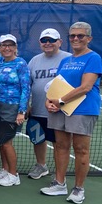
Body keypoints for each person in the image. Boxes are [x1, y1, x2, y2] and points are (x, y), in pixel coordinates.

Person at [41, 22, 102, 204]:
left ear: (88, 39)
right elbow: (55, 85)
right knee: (60, 146)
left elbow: (86, 87)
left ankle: (78, 189)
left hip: (83, 109)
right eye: (72, 36)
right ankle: (60, 184)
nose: (75, 39)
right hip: (60, 110)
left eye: (80, 36)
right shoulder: (65, 61)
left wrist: (60, 101)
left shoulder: (93, 58)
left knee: (81, 149)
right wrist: (49, 101)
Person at [26, 29, 71, 179]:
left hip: (59, 111)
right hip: (38, 110)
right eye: (44, 40)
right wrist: (27, 106)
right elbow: (28, 85)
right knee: (38, 140)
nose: (48, 43)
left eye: (51, 40)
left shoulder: (69, 59)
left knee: (59, 144)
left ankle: (59, 174)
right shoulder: (34, 61)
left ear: (60, 42)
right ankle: (41, 166)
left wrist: (61, 103)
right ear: (40, 43)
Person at [0, 34, 30, 187]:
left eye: (10, 45)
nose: (7, 48)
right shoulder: (0, 63)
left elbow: (26, 88)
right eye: (3, 45)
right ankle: (5, 169)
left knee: (6, 142)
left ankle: (13, 174)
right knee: (0, 140)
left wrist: (21, 111)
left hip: (12, 107)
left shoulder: (21, 64)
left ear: (15, 48)